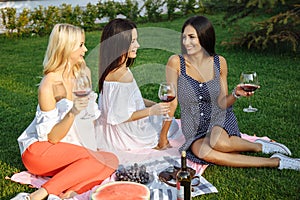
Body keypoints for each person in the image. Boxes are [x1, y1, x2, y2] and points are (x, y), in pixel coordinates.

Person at [161, 15, 300, 170]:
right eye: (184, 37)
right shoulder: (176, 62)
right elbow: (171, 101)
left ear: (204, 37)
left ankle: (258, 146)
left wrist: (235, 94)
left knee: (218, 142)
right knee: (203, 152)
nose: (186, 42)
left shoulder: (219, 62)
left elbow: (222, 103)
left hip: (218, 117)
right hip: (194, 126)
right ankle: (276, 161)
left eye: (192, 37)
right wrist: (163, 138)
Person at [13, 24, 118, 200]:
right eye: (80, 45)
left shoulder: (83, 72)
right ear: (65, 48)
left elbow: (88, 118)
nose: (85, 49)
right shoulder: (49, 85)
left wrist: (90, 146)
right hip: (40, 150)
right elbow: (51, 138)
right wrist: (72, 112)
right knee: (97, 160)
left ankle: (71, 192)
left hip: (67, 147)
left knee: (111, 160)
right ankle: (39, 195)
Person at [95, 18, 179, 152]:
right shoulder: (121, 76)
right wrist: (152, 111)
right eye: (133, 41)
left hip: (112, 129)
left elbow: (130, 98)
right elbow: (120, 116)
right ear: (119, 44)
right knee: (172, 125)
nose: (138, 45)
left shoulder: (114, 68)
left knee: (169, 121)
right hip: (124, 134)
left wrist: (152, 104)